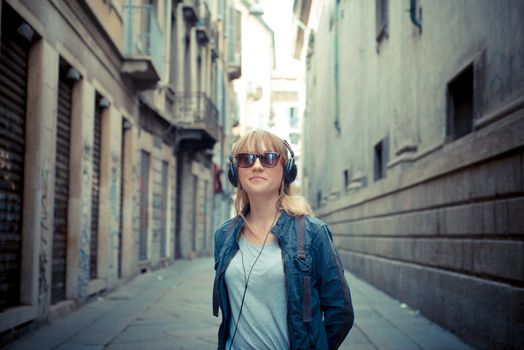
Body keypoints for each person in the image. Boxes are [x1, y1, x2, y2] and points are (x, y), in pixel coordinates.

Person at [212, 129, 354, 350]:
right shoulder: (224, 235)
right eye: (246, 159)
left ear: (286, 170)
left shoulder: (312, 232)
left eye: (269, 158)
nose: (256, 166)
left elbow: (340, 312)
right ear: (235, 171)